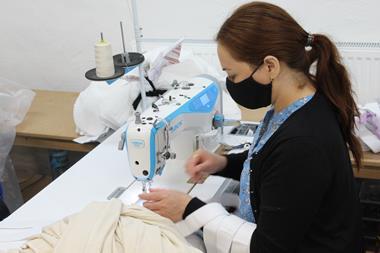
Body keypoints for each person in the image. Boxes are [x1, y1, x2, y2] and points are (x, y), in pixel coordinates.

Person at [139, 2, 362, 252]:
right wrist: (223, 163)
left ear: (270, 66)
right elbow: (272, 163)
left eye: (233, 75)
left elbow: (268, 247)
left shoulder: (303, 142)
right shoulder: (299, 102)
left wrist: (190, 209)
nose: (231, 83)